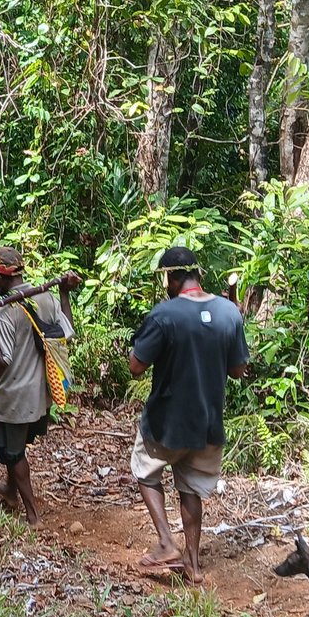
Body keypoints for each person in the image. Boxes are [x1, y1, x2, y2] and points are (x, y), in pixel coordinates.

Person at [128, 246, 249, 585]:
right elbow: (239, 369)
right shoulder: (229, 312)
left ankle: (167, 543)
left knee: (146, 472)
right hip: (209, 422)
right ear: (198, 275)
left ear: (172, 277)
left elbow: (136, 366)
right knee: (191, 488)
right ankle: (193, 565)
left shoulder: (164, 315)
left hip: (166, 422)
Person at [0, 246, 79, 525]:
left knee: (14, 452)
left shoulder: (7, 312)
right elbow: (67, 329)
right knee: (13, 445)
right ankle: (10, 491)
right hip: (41, 391)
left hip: (16, 395)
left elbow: (1, 363)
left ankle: (32, 515)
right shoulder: (45, 296)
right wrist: (65, 292)